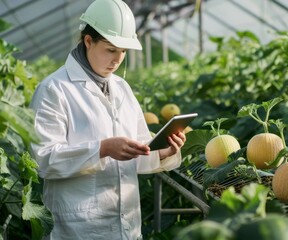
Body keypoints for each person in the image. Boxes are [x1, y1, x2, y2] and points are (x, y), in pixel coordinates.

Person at [29, 0, 186, 239]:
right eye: (111, 50)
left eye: (123, 52)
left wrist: (162, 151)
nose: (117, 59)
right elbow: (43, 160)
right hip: (79, 229)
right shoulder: (54, 89)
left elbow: (139, 152)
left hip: (128, 227)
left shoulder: (122, 88)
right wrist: (102, 149)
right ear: (88, 41)